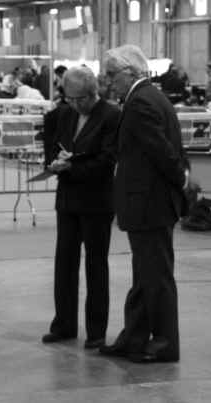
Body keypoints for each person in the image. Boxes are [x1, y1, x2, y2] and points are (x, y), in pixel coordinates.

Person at [99, 45, 189, 363]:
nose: (109, 83)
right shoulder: (150, 97)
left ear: (129, 72)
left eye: (112, 75)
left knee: (156, 277)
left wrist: (182, 181)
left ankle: (165, 343)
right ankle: (134, 336)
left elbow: (162, 152)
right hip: (150, 202)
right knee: (145, 274)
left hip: (150, 204)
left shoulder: (140, 103)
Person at [41, 66, 120, 349]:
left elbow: (107, 160)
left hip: (97, 201)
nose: (74, 105)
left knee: (95, 265)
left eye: (79, 100)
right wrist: (54, 161)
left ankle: (96, 330)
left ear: (91, 93)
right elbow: (52, 146)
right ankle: (64, 324)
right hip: (68, 200)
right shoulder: (64, 113)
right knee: (64, 263)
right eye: (69, 99)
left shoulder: (111, 116)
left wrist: (71, 167)